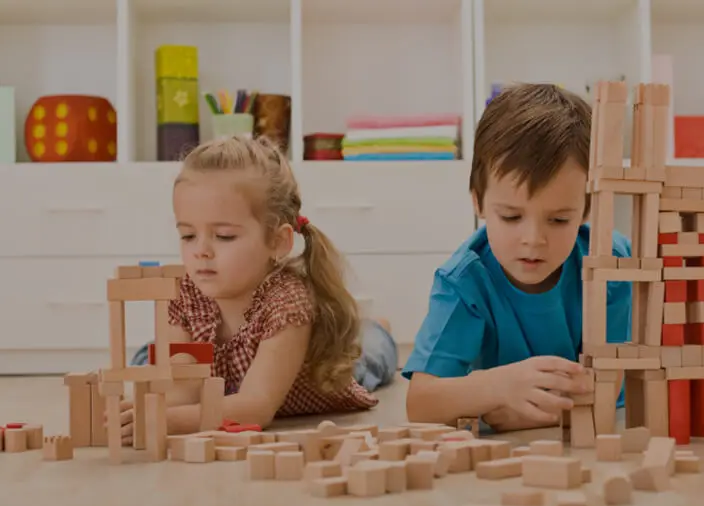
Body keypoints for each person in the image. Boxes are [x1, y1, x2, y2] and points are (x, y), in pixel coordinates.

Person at [118, 135, 397, 444]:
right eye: (187, 236)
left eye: (223, 236)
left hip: (320, 376)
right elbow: (183, 390)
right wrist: (142, 410)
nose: (201, 251)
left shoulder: (287, 301)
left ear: (277, 242)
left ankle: (377, 329)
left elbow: (256, 407)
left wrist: (167, 420)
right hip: (225, 390)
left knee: (367, 356)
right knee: (152, 360)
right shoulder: (187, 293)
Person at [402, 83, 631, 433]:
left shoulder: (611, 265)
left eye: (558, 219)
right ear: (478, 202)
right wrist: (497, 388)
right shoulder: (463, 282)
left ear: (586, 210)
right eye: (510, 216)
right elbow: (421, 403)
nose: (533, 240)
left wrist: (519, 413)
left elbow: (604, 393)